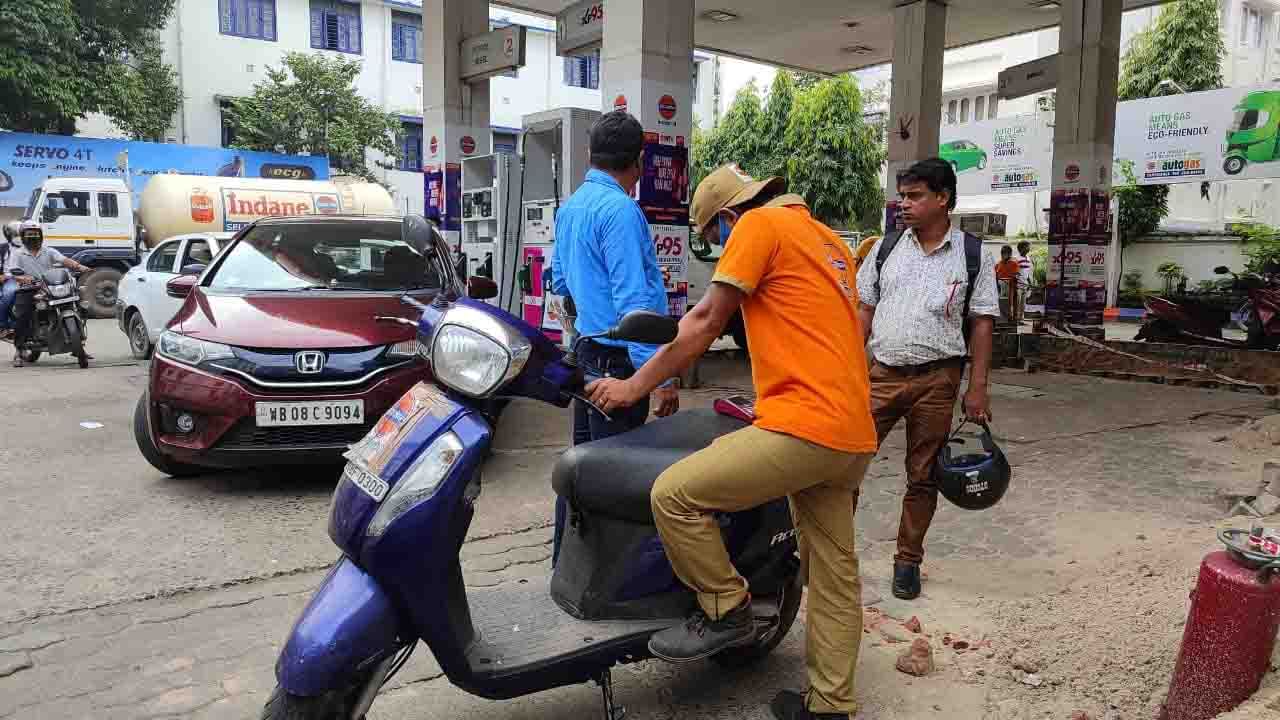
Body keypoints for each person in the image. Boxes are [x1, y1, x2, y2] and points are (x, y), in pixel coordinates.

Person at [587, 164, 877, 720]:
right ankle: (831, 705)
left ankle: (726, 605)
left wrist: (633, 386)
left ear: (726, 218)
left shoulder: (757, 227)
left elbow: (703, 322)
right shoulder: (825, 238)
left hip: (801, 427)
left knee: (674, 494)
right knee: (836, 574)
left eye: (714, 237)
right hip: (850, 434)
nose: (719, 247)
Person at [855, 158, 999, 601]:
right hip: (880, 376)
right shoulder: (884, 248)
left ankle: (907, 562)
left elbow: (981, 324)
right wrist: (846, 370)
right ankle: (831, 555)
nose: (905, 204)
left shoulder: (973, 255)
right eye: (903, 195)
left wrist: (977, 388)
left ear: (943, 199)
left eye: (915, 196)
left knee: (922, 476)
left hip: (938, 381)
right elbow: (864, 309)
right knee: (845, 467)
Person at [548, 110, 678, 563]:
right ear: (638, 161)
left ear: (590, 153)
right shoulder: (621, 211)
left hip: (584, 353)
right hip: (618, 362)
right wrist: (657, 376)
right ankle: (605, 578)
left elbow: (559, 282)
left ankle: (567, 561)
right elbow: (634, 307)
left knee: (581, 467)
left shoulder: (572, 207)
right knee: (615, 475)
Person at [8, 225, 91, 366]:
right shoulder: (18, 253)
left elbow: (64, 260)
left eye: (35, 233)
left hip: (50, 286)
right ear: (23, 237)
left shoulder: (49, 251)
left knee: (77, 301)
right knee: (23, 314)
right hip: (29, 288)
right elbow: (12, 271)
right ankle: (20, 350)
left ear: (40, 236)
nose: (32, 236)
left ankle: (78, 345)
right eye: (29, 234)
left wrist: (79, 267)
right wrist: (23, 278)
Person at [0, 223, 19, 340]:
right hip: (11, 279)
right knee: (7, 296)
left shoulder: (30, 247)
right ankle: (3, 326)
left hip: (31, 278)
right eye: (16, 234)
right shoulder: (3, 248)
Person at [995, 245, 1021, 321]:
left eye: (1004, 253)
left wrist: (1013, 278)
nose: (1002, 255)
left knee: (1011, 303)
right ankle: (1004, 317)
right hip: (1001, 287)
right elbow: (995, 274)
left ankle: (1012, 317)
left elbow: (1016, 274)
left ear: (1010, 254)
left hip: (1011, 287)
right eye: (1002, 253)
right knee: (1002, 303)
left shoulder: (1014, 263)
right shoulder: (999, 263)